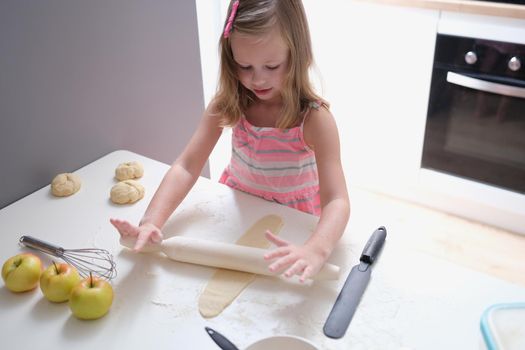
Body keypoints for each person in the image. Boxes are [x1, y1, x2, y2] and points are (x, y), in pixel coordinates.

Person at [111, 0, 350, 282]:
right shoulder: (229, 104)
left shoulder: (314, 119)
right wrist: (151, 221)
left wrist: (317, 249)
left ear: (297, 55)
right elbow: (187, 166)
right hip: (237, 212)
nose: (257, 79)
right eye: (244, 65)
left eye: (272, 66)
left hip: (293, 224)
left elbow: (337, 200)